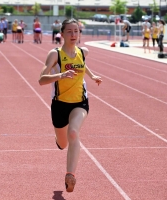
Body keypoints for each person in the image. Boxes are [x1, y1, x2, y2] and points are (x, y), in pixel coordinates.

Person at [38, 18, 102, 193]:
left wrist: (92, 76)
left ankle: (70, 175)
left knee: (73, 132)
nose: (74, 34)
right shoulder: (55, 55)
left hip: (80, 102)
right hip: (59, 104)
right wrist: (61, 75)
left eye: (76, 31)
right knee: (63, 143)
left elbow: (82, 64)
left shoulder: (83, 51)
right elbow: (41, 80)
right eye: (70, 31)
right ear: (62, 34)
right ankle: (59, 141)